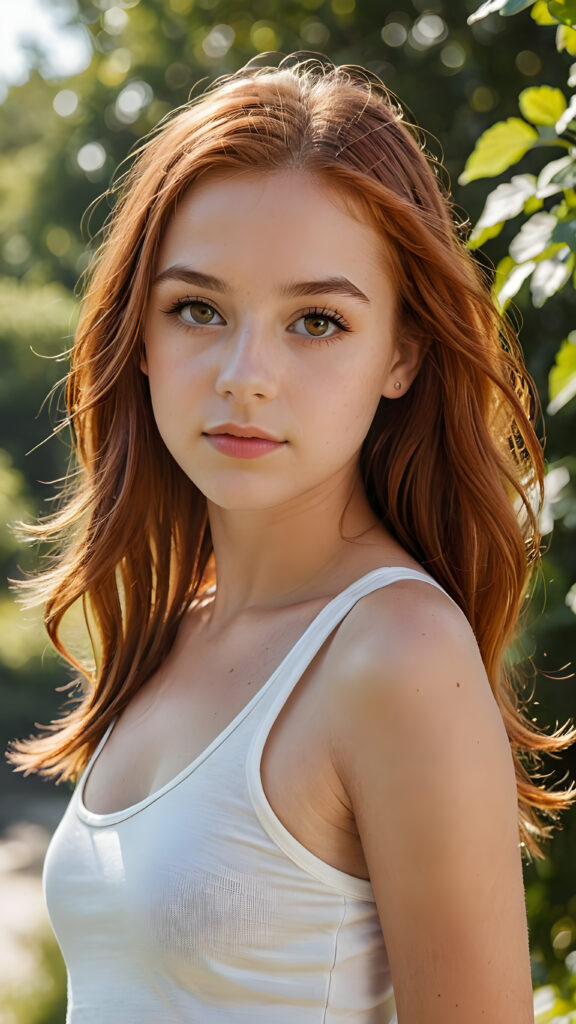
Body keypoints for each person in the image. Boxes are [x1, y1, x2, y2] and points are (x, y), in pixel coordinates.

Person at [9, 55, 575, 1023]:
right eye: (198, 308)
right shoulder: (175, 631)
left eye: (316, 320)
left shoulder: (396, 653)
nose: (245, 374)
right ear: (139, 335)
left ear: (401, 352)